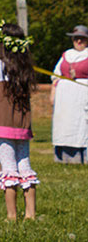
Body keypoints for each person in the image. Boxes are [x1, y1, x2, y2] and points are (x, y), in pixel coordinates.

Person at [0, 23, 36, 220]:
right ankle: (30, 214)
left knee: (8, 168)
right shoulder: (25, 67)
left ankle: (12, 215)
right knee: (24, 166)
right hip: (22, 125)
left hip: (2, 124)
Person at [51, 25, 88, 164]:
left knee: (81, 126)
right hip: (65, 99)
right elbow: (55, 75)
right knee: (65, 126)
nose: (79, 42)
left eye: (82, 39)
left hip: (82, 97)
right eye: (76, 39)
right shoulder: (66, 55)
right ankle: (64, 157)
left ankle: (82, 158)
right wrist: (53, 92)